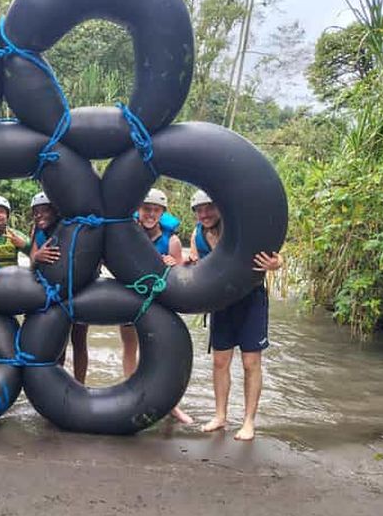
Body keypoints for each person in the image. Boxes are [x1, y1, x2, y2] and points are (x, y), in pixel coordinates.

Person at [188, 189, 282, 440]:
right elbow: (198, 265)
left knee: (251, 363)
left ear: (220, 208)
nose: (204, 214)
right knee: (220, 362)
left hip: (250, 300)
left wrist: (277, 263)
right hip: (221, 303)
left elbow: (276, 255)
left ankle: (249, 421)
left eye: (209, 208)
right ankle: (220, 416)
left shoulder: (239, 228)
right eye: (199, 210)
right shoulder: (197, 235)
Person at [119, 188, 193, 423]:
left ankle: (172, 404)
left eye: (156, 210)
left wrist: (172, 265)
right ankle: (130, 393)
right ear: (139, 210)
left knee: (160, 351)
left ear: (162, 213)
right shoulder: (129, 233)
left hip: (158, 303)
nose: (150, 214)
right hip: (132, 297)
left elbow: (180, 276)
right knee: (130, 345)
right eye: (146, 209)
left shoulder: (171, 241)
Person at [29, 191, 88, 384]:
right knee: (58, 342)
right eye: (36, 212)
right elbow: (31, 261)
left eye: (44, 211)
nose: (39, 216)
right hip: (52, 293)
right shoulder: (37, 232)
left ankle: (80, 384)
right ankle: (58, 386)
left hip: (75, 291)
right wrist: (37, 257)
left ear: (55, 212)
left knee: (79, 341)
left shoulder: (67, 229)